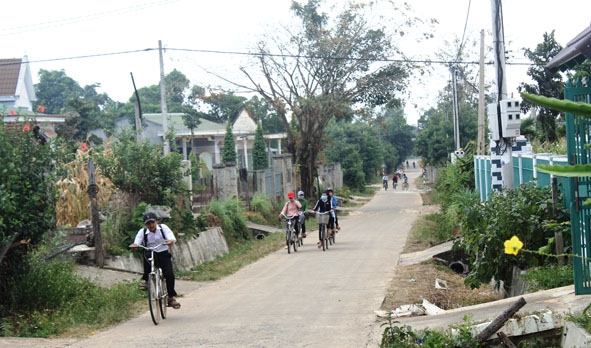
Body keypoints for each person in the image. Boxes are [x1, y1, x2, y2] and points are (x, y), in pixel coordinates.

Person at [130, 212, 181, 309]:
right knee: (146, 256)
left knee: (169, 274)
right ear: (145, 224)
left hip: (163, 252)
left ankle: (171, 298)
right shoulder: (143, 231)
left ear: (156, 221)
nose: (151, 225)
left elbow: (171, 237)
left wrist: (170, 241)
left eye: (152, 222)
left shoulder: (163, 228)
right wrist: (135, 245)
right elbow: (137, 241)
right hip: (151, 252)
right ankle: (147, 281)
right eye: (148, 223)